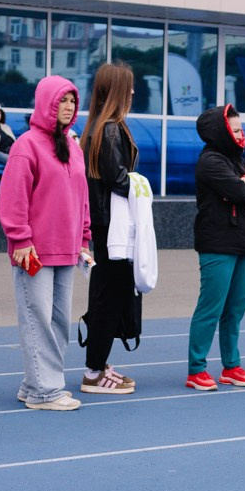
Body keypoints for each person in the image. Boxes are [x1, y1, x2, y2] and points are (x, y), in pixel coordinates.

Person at [0, 74, 90, 410]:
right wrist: (20, 238)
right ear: (45, 104)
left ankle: (33, 382)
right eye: (61, 101)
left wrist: (84, 238)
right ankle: (44, 391)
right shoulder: (26, 145)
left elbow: (82, 198)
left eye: (71, 101)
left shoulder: (73, 148)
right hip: (34, 250)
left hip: (66, 249)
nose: (67, 108)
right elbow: (13, 198)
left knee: (57, 322)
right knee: (37, 318)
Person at [76, 62, 146, 395]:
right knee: (109, 298)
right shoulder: (110, 129)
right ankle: (93, 372)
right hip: (111, 229)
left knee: (106, 296)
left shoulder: (97, 127)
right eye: (128, 87)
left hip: (103, 226)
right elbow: (119, 180)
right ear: (118, 90)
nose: (133, 92)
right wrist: (140, 185)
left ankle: (97, 365)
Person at [186, 103, 245, 390]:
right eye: (237, 129)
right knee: (211, 307)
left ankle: (231, 366)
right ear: (222, 131)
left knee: (235, 308)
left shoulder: (235, 160)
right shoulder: (210, 161)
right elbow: (243, 191)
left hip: (241, 240)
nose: (242, 135)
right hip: (217, 242)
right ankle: (196, 369)